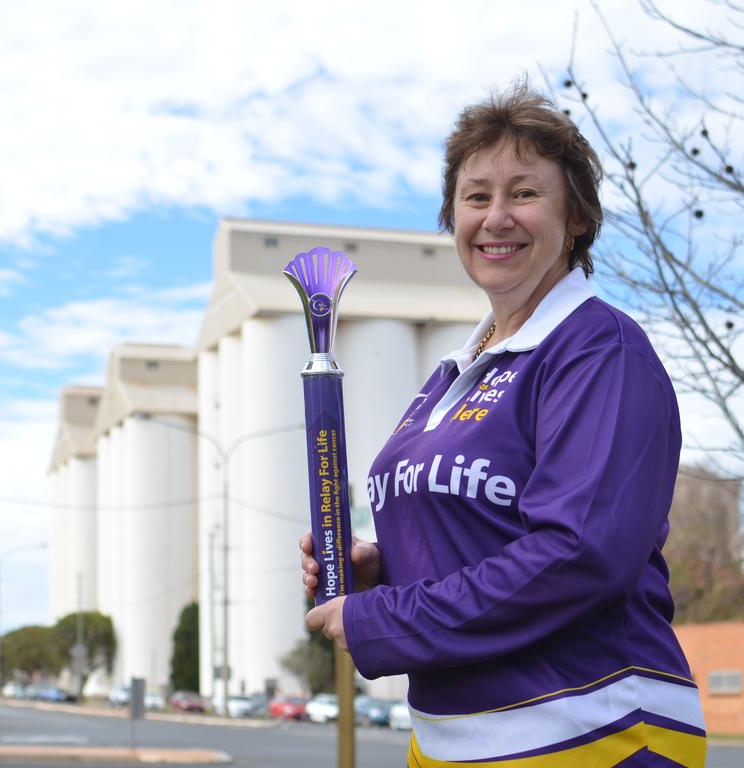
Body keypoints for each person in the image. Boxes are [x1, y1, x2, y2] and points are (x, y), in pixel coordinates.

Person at [300, 83, 706, 767]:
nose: (496, 217)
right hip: (451, 739)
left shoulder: (599, 349)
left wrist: (385, 620)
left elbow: (578, 555)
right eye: (476, 196)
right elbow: (478, 538)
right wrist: (380, 568)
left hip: (591, 730)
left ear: (575, 217)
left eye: (524, 193)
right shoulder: (451, 378)